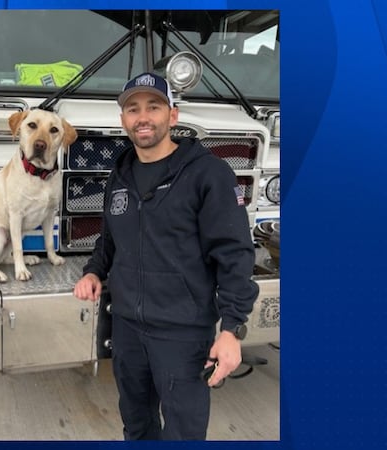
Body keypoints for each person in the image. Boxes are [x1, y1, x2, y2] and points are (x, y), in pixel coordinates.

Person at [73, 72, 259, 440]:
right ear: (124, 119)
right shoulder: (120, 174)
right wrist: (94, 271)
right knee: (137, 425)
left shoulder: (208, 174)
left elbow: (235, 253)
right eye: (133, 109)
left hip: (183, 336)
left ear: (172, 115)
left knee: (183, 433)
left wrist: (232, 329)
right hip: (127, 328)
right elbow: (109, 238)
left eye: (154, 107)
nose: (143, 117)